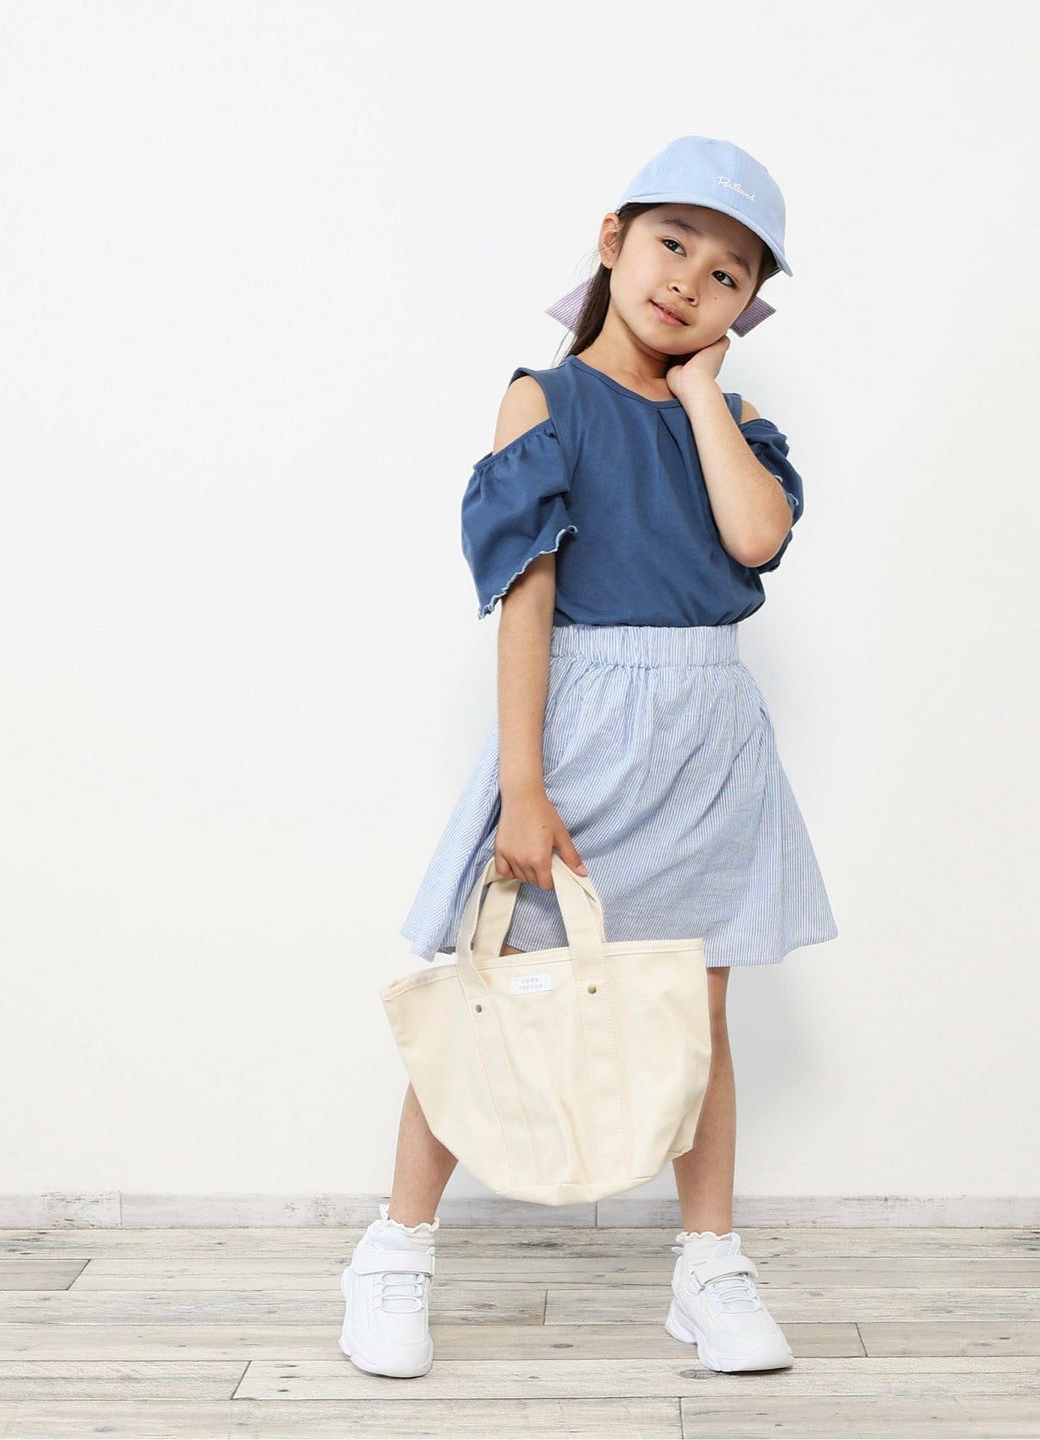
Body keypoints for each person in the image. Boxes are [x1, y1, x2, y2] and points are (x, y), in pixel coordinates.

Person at [339, 135, 839, 1381]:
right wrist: (524, 784)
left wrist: (709, 395)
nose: (689, 282)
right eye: (673, 244)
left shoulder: (736, 422)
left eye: (727, 276)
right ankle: (397, 1247)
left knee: (697, 1006)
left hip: (709, 743)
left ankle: (708, 1264)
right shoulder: (546, 401)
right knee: (495, 984)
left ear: (744, 310)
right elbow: (527, 597)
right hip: (587, 729)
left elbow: (756, 538)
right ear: (612, 240)